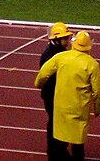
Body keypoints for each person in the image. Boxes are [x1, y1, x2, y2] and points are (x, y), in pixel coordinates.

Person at [34, 30, 100, 160]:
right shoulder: (92, 65)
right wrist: (98, 108)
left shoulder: (61, 57)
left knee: (59, 143)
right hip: (79, 110)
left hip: (61, 107)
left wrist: (38, 84)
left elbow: (43, 73)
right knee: (78, 146)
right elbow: (98, 92)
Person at [39, 22, 74, 160]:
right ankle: (55, 153)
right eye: (66, 38)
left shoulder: (58, 52)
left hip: (57, 94)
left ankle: (58, 151)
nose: (68, 40)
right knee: (56, 124)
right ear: (57, 39)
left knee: (58, 124)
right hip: (53, 96)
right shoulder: (51, 55)